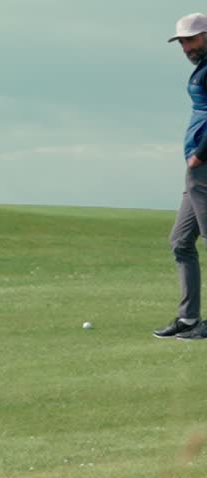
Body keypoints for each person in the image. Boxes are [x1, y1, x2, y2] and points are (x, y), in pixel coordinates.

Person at [158, 14, 207, 339]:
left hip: (204, 166)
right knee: (180, 241)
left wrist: (200, 154)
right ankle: (189, 321)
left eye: (192, 39)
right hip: (196, 172)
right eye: (183, 42)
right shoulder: (201, 69)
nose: (187, 47)